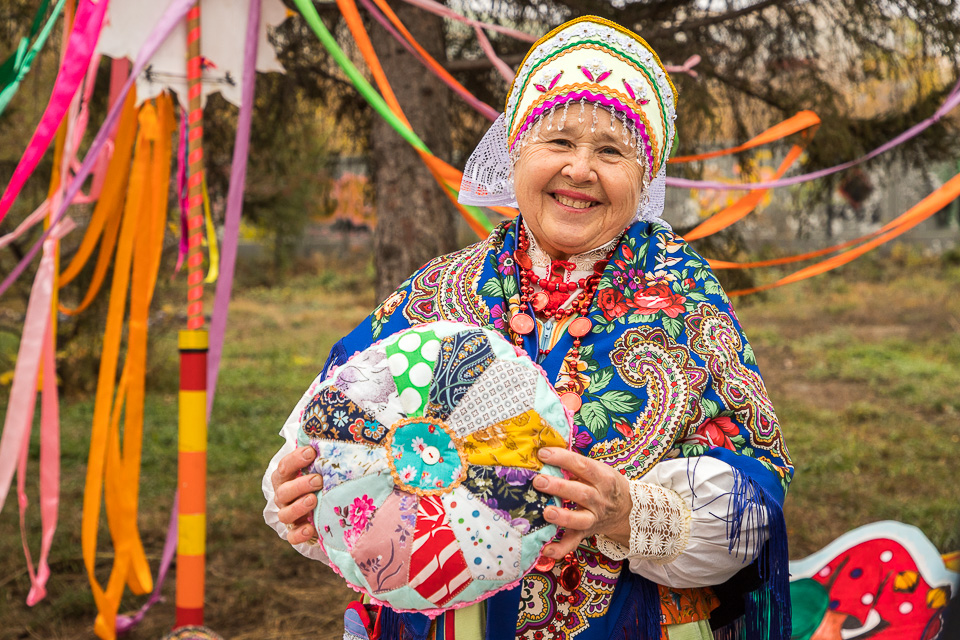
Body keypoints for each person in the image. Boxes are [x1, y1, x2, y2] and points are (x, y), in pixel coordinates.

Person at [263, 15, 794, 640]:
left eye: (611, 150)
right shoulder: (439, 291)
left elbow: (750, 505)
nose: (580, 169)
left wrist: (627, 513)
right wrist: (300, 496)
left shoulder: (686, 303)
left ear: (645, 175)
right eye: (559, 141)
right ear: (517, 150)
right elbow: (334, 437)